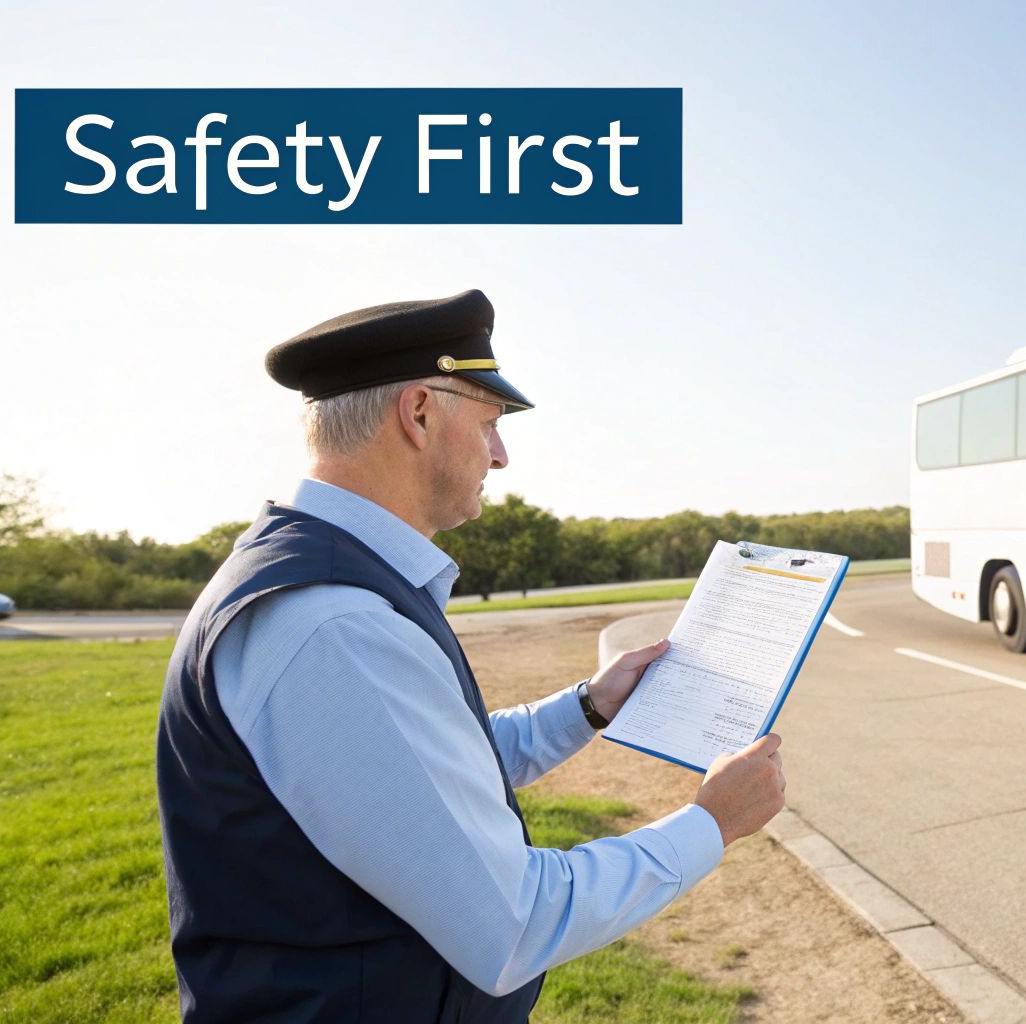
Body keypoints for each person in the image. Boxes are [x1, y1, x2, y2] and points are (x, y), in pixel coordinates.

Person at [156, 289, 788, 1024]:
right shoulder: (334, 622)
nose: (501, 454)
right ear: (420, 412)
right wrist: (711, 823)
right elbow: (517, 922)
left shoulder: (326, 579)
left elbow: (424, 767)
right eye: (489, 423)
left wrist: (588, 706)